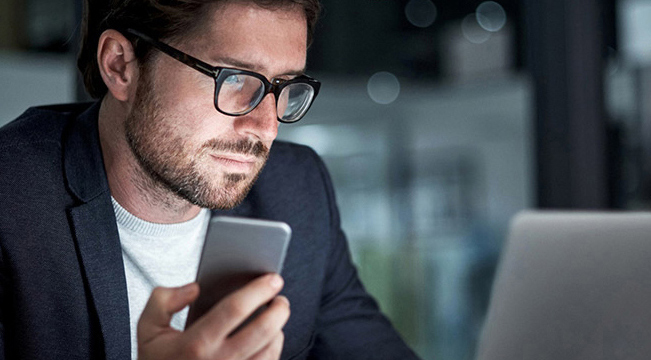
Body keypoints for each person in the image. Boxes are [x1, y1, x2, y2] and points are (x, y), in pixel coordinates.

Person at [0, 0, 421, 359]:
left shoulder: (297, 188)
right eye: (234, 78)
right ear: (121, 66)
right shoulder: (12, 198)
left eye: (285, 86)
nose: (266, 126)